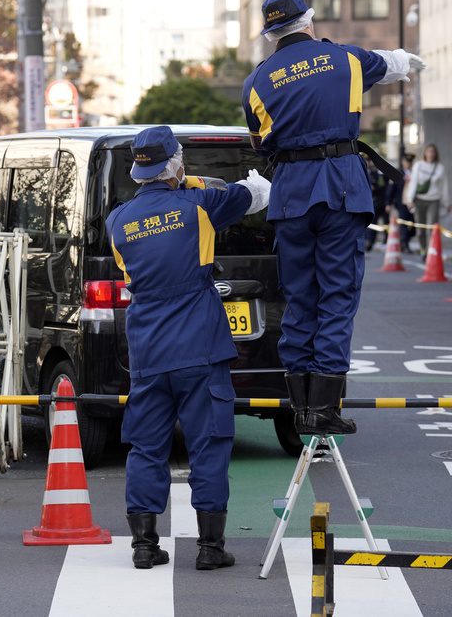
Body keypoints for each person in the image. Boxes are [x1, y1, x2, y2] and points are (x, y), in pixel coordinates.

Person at [242, 0, 423, 436]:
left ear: (269, 33)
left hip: (291, 194)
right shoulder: (344, 59)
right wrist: (407, 59)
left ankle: (300, 408)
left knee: (300, 297)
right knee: (337, 296)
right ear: (309, 19)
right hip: (341, 186)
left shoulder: (257, 83)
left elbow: (259, 143)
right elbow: (391, 64)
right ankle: (325, 407)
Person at [106, 126, 269, 571]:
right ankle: (210, 549)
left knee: (145, 446)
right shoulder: (200, 206)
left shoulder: (117, 222)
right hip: (199, 346)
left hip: (148, 350)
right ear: (176, 163)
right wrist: (199, 182)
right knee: (209, 444)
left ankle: (144, 546)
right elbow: (257, 194)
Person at [404, 144, 448, 256]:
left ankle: (431, 251)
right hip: (419, 200)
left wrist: (446, 202)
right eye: (428, 151)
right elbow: (413, 182)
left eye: (433, 151)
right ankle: (423, 249)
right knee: (420, 228)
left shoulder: (440, 167)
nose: (431, 154)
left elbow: (444, 186)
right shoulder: (418, 165)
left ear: (436, 153)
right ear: (425, 153)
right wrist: (409, 198)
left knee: (432, 226)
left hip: (434, 199)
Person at [386, 153, 415, 252]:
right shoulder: (398, 173)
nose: (408, 164)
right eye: (406, 161)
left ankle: (406, 240)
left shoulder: (415, 172)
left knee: (413, 225)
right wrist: (388, 203)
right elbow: (392, 189)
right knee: (403, 223)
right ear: (403, 162)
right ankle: (404, 244)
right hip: (401, 203)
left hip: (413, 203)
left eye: (410, 162)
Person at [365, 154, 388, 251]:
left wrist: (374, 187)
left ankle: (385, 241)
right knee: (371, 223)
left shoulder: (377, 173)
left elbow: (382, 186)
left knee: (385, 222)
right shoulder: (364, 172)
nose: (369, 163)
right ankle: (369, 242)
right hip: (369, 201)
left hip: (379, 201)